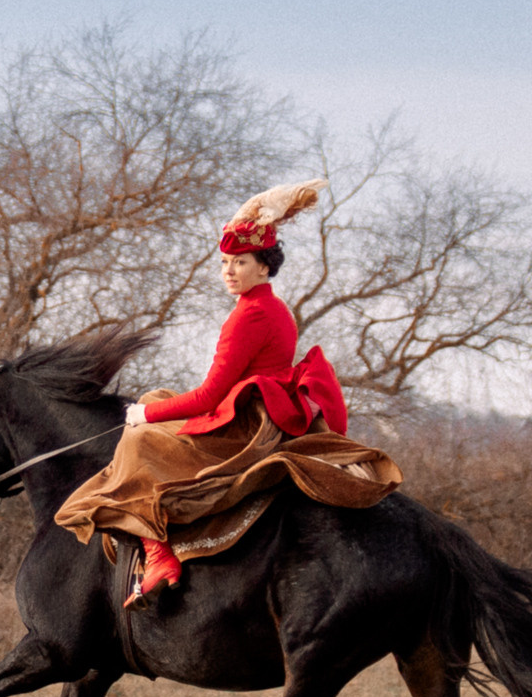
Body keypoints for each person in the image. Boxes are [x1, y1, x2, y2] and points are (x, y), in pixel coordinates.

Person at [55, 179, 399, 609]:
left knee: (141, 439)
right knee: (153, 395)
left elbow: (207, 398)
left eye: (239, 262)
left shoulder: (251, 317)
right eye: (224, 263)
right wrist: (152, 407)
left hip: (248, 426)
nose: (229, 272)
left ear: (264, 266)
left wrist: (145, 418)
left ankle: (159, 556)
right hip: (256, 408)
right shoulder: (267, 306)